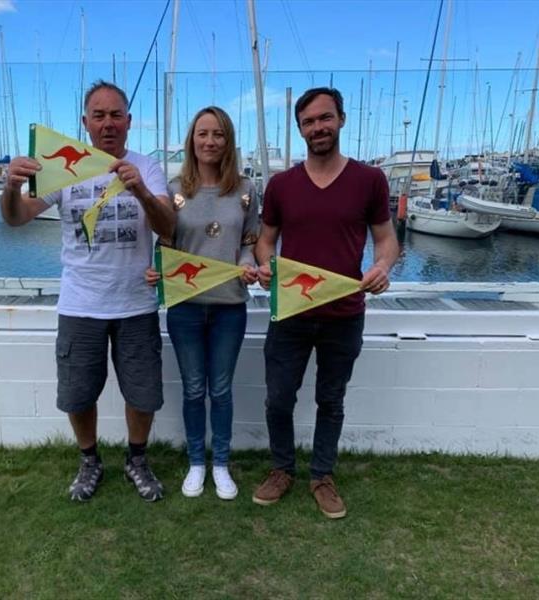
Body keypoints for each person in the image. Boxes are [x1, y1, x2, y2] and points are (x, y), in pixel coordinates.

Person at [1, 81, 175, 502]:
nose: (108, 123)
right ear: (85, 123)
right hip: (81, 304)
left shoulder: (147, 167)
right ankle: (89, 460)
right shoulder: (66, 167)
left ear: (129, 122)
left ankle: (136, 458)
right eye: (99, 115)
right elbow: (17, 219)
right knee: (78, 393)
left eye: (116, 114)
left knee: (143, 392)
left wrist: (142, 192)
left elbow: (169, 228)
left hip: (136, 303)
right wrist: (10, 187)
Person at [251, 87, 399, 518]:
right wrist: (267, 266)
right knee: (278, 398)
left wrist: (383, 267)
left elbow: (386, 238)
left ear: (341, 119)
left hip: (345, 314)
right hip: (291, 312)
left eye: (325, 118)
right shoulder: (281, 185)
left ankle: (321, 475)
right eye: (309, 122)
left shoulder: (369, 180)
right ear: (300, 129)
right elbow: (265, 241)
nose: (318, 127)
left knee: (330, 400)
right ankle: (282, 469)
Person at [146, 106, 259, 500]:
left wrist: (247, 266)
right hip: (185, 307)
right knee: (194, 389)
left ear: (228, 141)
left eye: (218, 135)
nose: (210, 141)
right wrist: (155, 271)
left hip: (230, 306)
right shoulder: (174, 190)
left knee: (222, 390)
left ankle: (222, 464)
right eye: (202, 134)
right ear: (191, 140)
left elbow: (248, 245)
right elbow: (166, 247)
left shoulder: (245, 190)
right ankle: (197, 461)